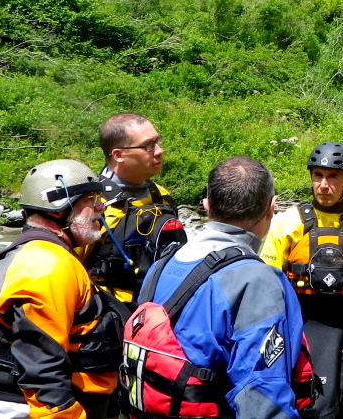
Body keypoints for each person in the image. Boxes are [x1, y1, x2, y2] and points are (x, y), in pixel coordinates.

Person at [122, 155, 304, 418]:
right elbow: (263, 393)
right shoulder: (256, 280)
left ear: (207, 205)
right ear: (271, 207)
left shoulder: (160, 266)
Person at [0, 159, 126, 419]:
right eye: (91, 199)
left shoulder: (48, 255)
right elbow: (42, 371)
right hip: (36, 409)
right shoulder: (46, 265)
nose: (102, 207)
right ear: (58, 210)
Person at [260, 142, 343, 419]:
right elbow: (267, 281)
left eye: (333, 177)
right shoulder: (288, 222)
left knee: (335, 405)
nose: (323, 184)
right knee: (304, 405)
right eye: (318, 175)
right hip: (299, 321)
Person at [80, 113, 186, 308]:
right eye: (148, 146)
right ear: (118, 155)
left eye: (157, 141)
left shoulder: (161, 196)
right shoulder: (91, 205)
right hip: (108, 317)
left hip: (158, 313)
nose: (159, 151)